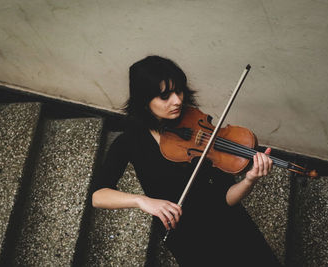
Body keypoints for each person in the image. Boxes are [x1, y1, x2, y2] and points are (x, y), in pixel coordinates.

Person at [92, 55, 281, 266]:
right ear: (144, 101)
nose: (177, 101)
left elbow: (226, 198)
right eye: (165, 96)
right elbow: (98, 195)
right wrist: (141, 201)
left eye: (178, 91)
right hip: (188, 241)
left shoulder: (197, 129)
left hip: (231, 227)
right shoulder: (129, 142)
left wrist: (249, 180)